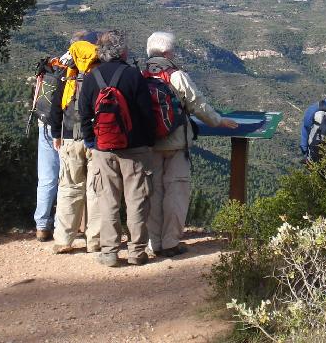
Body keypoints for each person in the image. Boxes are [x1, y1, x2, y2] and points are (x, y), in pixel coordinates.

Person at [144, 31, 238, 258]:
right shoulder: (176, 76)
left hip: (148, 145)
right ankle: (170, 242)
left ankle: (152, 242)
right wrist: (219, 121)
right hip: (176, 143)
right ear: (167, 52)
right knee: (176, 192)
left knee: (152, 194)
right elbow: (198, 104)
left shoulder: (138, 73)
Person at [78, 30, 156, 267]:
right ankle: (136, 252)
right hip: (135, 150)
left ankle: (110, 252)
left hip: (103, 149)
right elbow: (146, 115)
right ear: (122, 51)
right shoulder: (133, 76)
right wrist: (147, 142)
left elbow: (84, 116)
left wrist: (93, 143)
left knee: (108, 201)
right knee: (136, 201)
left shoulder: (92, 78)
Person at [50, 34, 102, 254]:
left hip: (70, 136)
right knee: (96, 189)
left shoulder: (68, 75)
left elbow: (55, 107)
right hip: (97, 140)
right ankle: (95, 240)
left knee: (69, 188)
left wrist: (56, 134)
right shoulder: (99, 74)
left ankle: (63, 239)